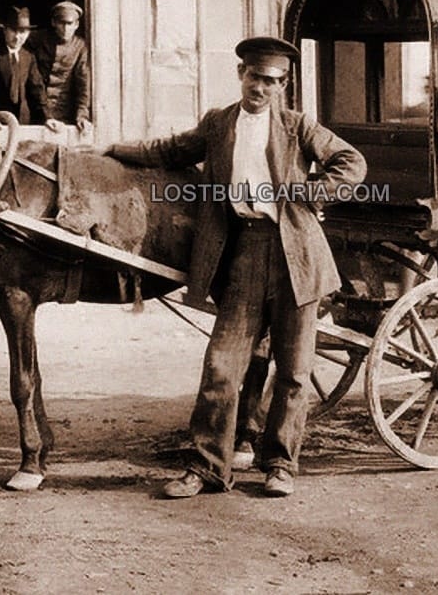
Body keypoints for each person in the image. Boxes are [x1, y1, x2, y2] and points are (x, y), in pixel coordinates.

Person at [106, 36, 366, 498]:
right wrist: (116, 149)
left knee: (293, 370)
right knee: (222, 366)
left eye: (271, 81)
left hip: (296, 257)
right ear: (240, 74)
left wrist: (309, 192)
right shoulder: (219, 123)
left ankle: (280, 465)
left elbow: (352, 163)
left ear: (282, 85)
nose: (261, 88)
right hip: (242, 255)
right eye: (254, 77)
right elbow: (168, 150)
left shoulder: (297, 126)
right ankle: (207, 468)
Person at [34, 1, 92, 135]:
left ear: (76, 25)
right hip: (36, 108)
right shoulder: (38, 39)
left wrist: (82, 115)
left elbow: (83, 83)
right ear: (53, 23)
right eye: (62, 23)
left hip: (64, 110)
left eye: (70, 24)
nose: (65, 29)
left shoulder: (80, 46)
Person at [0, 6, 47, 125]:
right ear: (5, 30)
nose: (17, 37)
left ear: (28, 33)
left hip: (22, 121)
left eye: (22, 32)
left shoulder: (28, 56)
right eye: (13, 31)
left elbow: (37, 88)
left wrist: (48, 118)